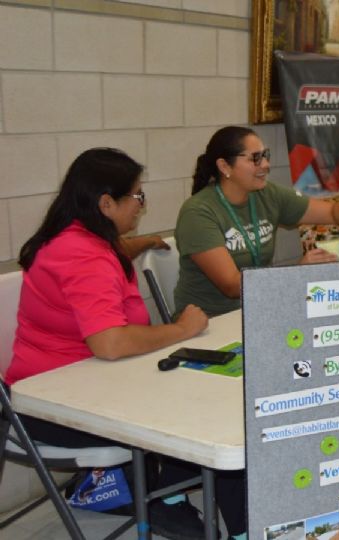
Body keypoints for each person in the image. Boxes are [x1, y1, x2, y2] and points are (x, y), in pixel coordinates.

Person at [8, 148, 216, 539]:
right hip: (54, 411)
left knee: (193, 384)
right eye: (137, 196)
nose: (141, 205)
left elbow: (106, 257)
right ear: (106, 203)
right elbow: (111, 342)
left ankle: (152, 491)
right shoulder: (83, 256)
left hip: (71, 385)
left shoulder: (74, 236)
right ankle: (163, 502)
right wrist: (184, 329)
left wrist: (143, 243)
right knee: (195, 403)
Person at [175, 126, 339, 316]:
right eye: (255, 158)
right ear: (224, 166)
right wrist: (294, 272)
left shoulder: (268, 194)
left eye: (265, 156)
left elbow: (333, 213)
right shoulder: (198, 213)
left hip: (261, 308)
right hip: (212, 321)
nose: (265, 165)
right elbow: (232, 286)